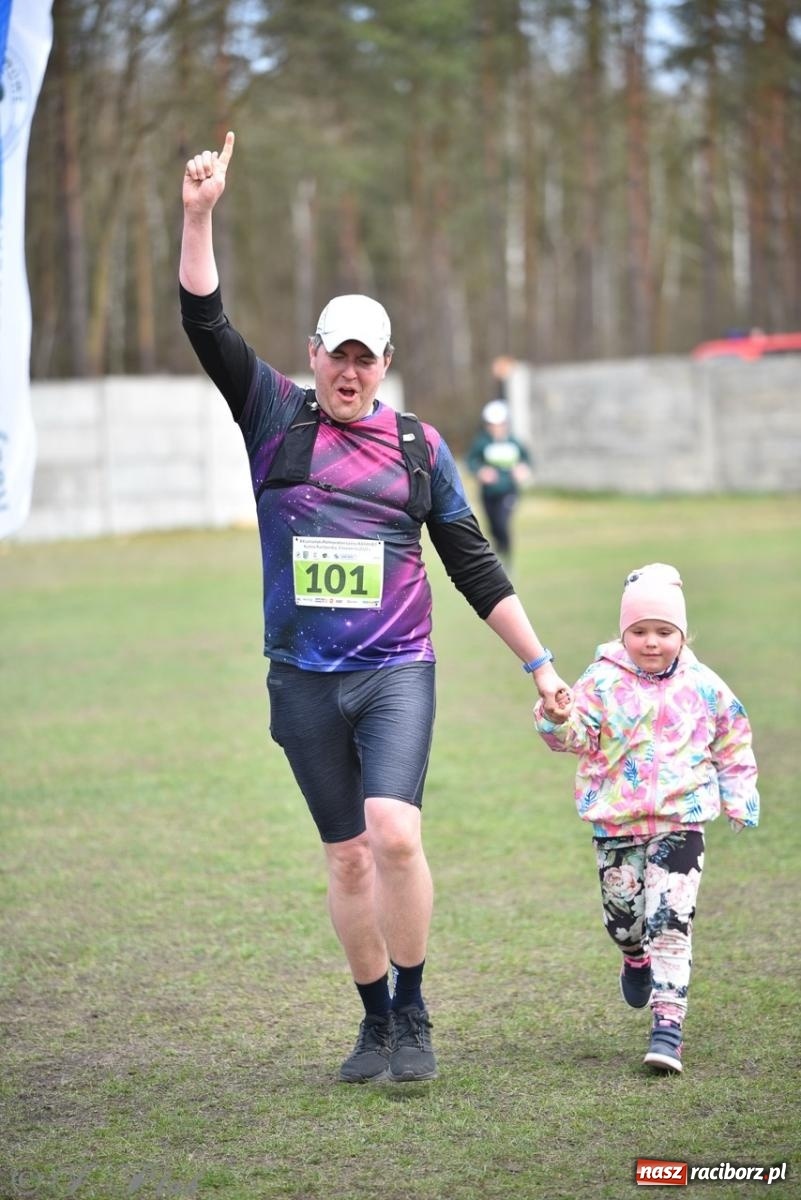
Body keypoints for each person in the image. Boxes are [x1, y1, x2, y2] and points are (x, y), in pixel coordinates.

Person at [179, 131, 571, 1085]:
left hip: (396, 670)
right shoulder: (273, 415)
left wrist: (541, 665)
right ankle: (372, 1023)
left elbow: (473, 562)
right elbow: (205, 321)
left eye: (366, 358)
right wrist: (198, 215)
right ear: (312, 353)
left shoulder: (417, 447)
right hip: (302, 679)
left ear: (386, 361)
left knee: (395, 832)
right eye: (335, 354)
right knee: (348, 857)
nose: (349, 371)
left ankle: (416, 1003)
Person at [533, 563, 759, 1074]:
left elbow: (733, 739)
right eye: (639, 631)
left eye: (663, 632)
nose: (651, 642)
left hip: (682, 821)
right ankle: (634, 958)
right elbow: (574, 740)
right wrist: (557, 716)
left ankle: (668, 1027)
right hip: (617, 824)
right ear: (623, 633)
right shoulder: (601, 682)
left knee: (672, 924)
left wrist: (740, 795)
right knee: (624, 922)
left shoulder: (705, 687)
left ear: (683, 634)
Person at [466, 399, 531, 566]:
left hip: (508, 490)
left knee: (502, 523)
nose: (496, 428)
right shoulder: (482, 443)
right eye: (492, 424)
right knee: (493, 526)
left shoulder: (514, 442)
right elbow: (471, 461)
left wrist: (522, 469)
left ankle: (506, 559)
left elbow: (526, 460)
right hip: (488, 493)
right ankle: (498, 556)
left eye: (500, 424)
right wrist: (481, 472)